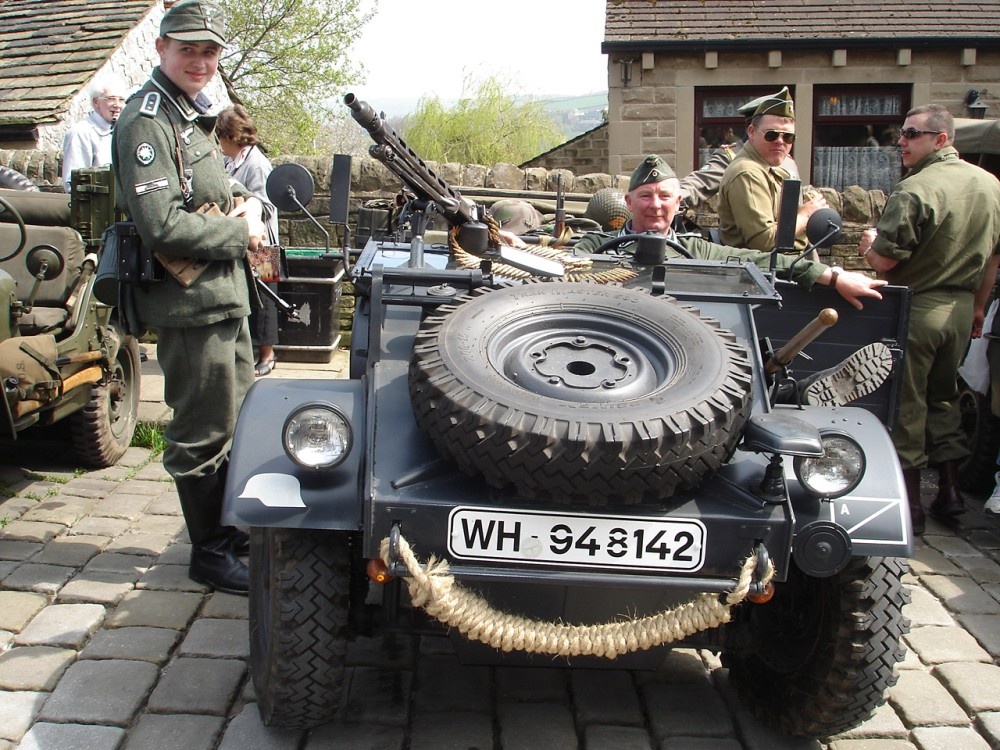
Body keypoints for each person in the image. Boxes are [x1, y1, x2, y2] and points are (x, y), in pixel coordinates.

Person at [111, 0, 267, 595]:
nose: (200, 61)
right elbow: (161, 225)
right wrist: (241, 231)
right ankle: (210, 551)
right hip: (188, 303)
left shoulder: (191, 115)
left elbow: (207, 182)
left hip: (223, 296)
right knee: (201, 428)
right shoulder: (146, 119)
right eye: (188, 49)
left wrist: (243, 198)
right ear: (161, 49)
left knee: (238, 419)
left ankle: (233, 528)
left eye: (209, 52)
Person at [573, 155, 892, 405]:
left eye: (664, 196)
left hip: (679, 352)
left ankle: (788, 394)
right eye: (645, 196)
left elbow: (757, 262)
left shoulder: (695, 250)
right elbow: (565, 269)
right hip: (606, 347)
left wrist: (832, 276)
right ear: (628, 203)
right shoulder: (593, 246)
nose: (655, 205)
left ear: (678, 202)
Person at [858, 104, 1000, 534]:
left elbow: (884, 260)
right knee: (945, 398)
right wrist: (977, 307)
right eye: (901, 132)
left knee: (905, 402)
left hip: (916, 307)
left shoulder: (916, 188)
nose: (901, 140)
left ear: (941, 139)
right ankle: (951, 491)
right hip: (959, 309)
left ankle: (912, 505)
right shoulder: (990, 185)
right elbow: (993, 257)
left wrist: (868, 244)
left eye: (912, 133)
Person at [717, 87, 828, 253]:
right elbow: (765, 241)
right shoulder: (747, 172)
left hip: (781, 266)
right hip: (763, 272)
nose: (780, 141)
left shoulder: (773, 166)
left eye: (788, 136)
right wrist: (805, 215)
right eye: (771, 135)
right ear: (752, 132)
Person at [216, 104, 281, 377]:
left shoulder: (257, 164)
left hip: (264, 244)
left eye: (220, 137)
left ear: (231, 137)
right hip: (243, 241)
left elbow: (265, 204)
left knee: (265, 300)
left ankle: (268, 355)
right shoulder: (230, 160)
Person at [61, 72, 129, 192]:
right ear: (96, 102)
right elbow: (73, 183)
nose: (118, 105)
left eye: (121, 100)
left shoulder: (123, 131)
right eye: (111, 99)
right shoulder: (80, 133)